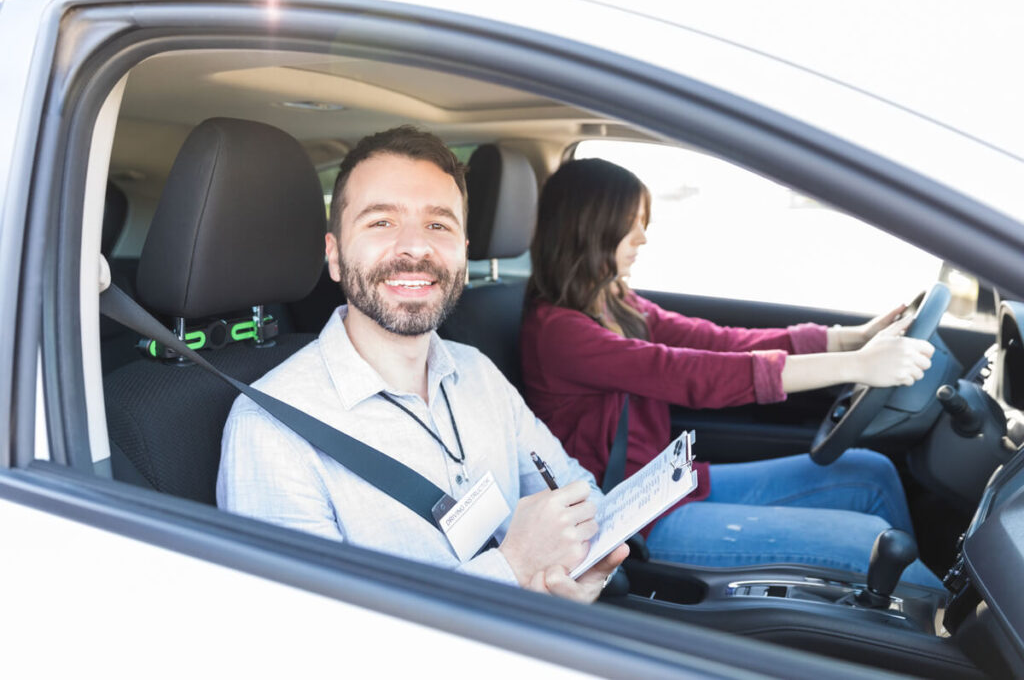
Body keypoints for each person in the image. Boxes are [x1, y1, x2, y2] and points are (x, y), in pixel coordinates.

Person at [217, 127, 627, 603]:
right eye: (381, 222)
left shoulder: (478, 372)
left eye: (438, 225)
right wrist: (511, 568)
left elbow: (582, 496)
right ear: (333, 255)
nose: (415, 247)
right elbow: (315, 646)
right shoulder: (271, 429)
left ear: (464, 251)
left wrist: (585, 576)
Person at [520, 157, 942, 587]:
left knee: (870, 472)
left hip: (669, 486)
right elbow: (690, 373)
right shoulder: (558, 332)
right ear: (587, 230)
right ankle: (943, 637)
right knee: (869, 542)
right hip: (634, 524)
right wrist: (858, 366)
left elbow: (717, 341)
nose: (643, 238)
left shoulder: (613, 300)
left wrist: (851, 338)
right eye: (629, 224)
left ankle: (913, 612)